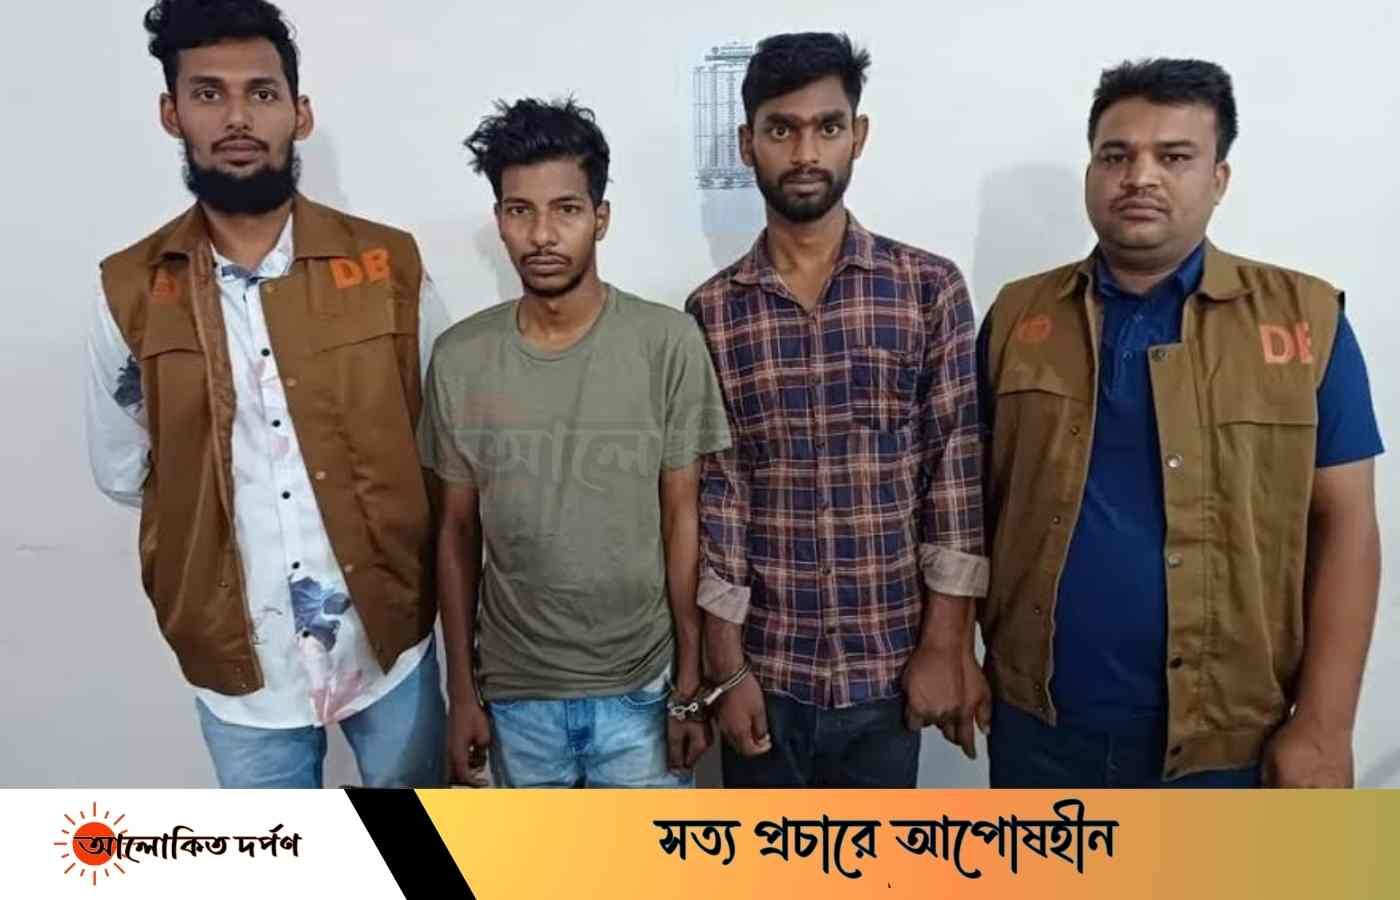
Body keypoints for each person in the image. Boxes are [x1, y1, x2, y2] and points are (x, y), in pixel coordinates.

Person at [978, 58, 1383, 788]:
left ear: (1218, 178)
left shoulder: (1305, 321)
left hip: (1230, 742)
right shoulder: (1018, 315)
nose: (1140, 177)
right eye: (1116, 156)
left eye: (1174, 157)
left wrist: (1326, 724)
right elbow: (965, 504)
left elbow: (1348, 528)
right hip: (1040, 729)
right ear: (1091, 171)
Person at [86, 0, 451, 788]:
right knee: (277, 853)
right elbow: (122, 469)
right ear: (171, 113)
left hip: (390, 643)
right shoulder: (130, 290)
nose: (237, 117)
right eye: (207, 93)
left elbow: (442, 435)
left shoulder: (389, 267)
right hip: (239, 670)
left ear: (299, 112)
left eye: (261, 92)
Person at [687, 32, 990, 788]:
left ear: (859, 135)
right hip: (768, 672)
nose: (804, 153)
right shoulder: (713, 312)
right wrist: (727, 668)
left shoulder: (926, 288)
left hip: (889, 669)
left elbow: (954, 473)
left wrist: (945, 646)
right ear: (747, 144)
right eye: (780, 130)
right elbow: (720, 496)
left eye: (827, 127)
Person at [419, 97, 732, 788]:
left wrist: (688, 681)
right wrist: (461, 693)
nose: (542, 234)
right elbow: (456, 532)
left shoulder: (666, 342)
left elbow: (683, 517)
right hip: (516, 696)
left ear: (601, 217)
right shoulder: (460, 358)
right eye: (519, 210)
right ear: (499, 219)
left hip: (642, 687)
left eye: (565, 209)